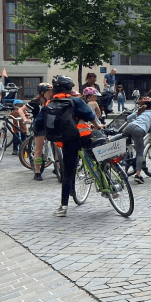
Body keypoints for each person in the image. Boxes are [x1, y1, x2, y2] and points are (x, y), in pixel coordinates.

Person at [34, 75, 101, 217]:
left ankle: (63, 207)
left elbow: (38, 124)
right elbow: (91, 116)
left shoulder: (49, 104)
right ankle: (107, 184)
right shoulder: (75, 100)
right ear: (69, 88)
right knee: (98, 160)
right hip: (84, 137)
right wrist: (97, 126)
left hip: (67, 140)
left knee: (68, 173)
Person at [123, 96, 151, 184]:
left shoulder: (139, 111)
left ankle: (110, 140)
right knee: (140, 153)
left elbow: (128, 119)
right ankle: (138, 175)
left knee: (124, 140)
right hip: (139, 130)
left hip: (129, 127)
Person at [28, 83, 53, 180]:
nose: (51, 94)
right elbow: (22, 109)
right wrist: (25, 119)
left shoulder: (52, 101)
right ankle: (37, 172)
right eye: (49, 92)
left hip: (50, 125)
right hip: (39, 125)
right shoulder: (35, 102)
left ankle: (59, 168)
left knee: (56, 146)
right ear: (42, 93)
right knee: (38, 149)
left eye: (52, 92)